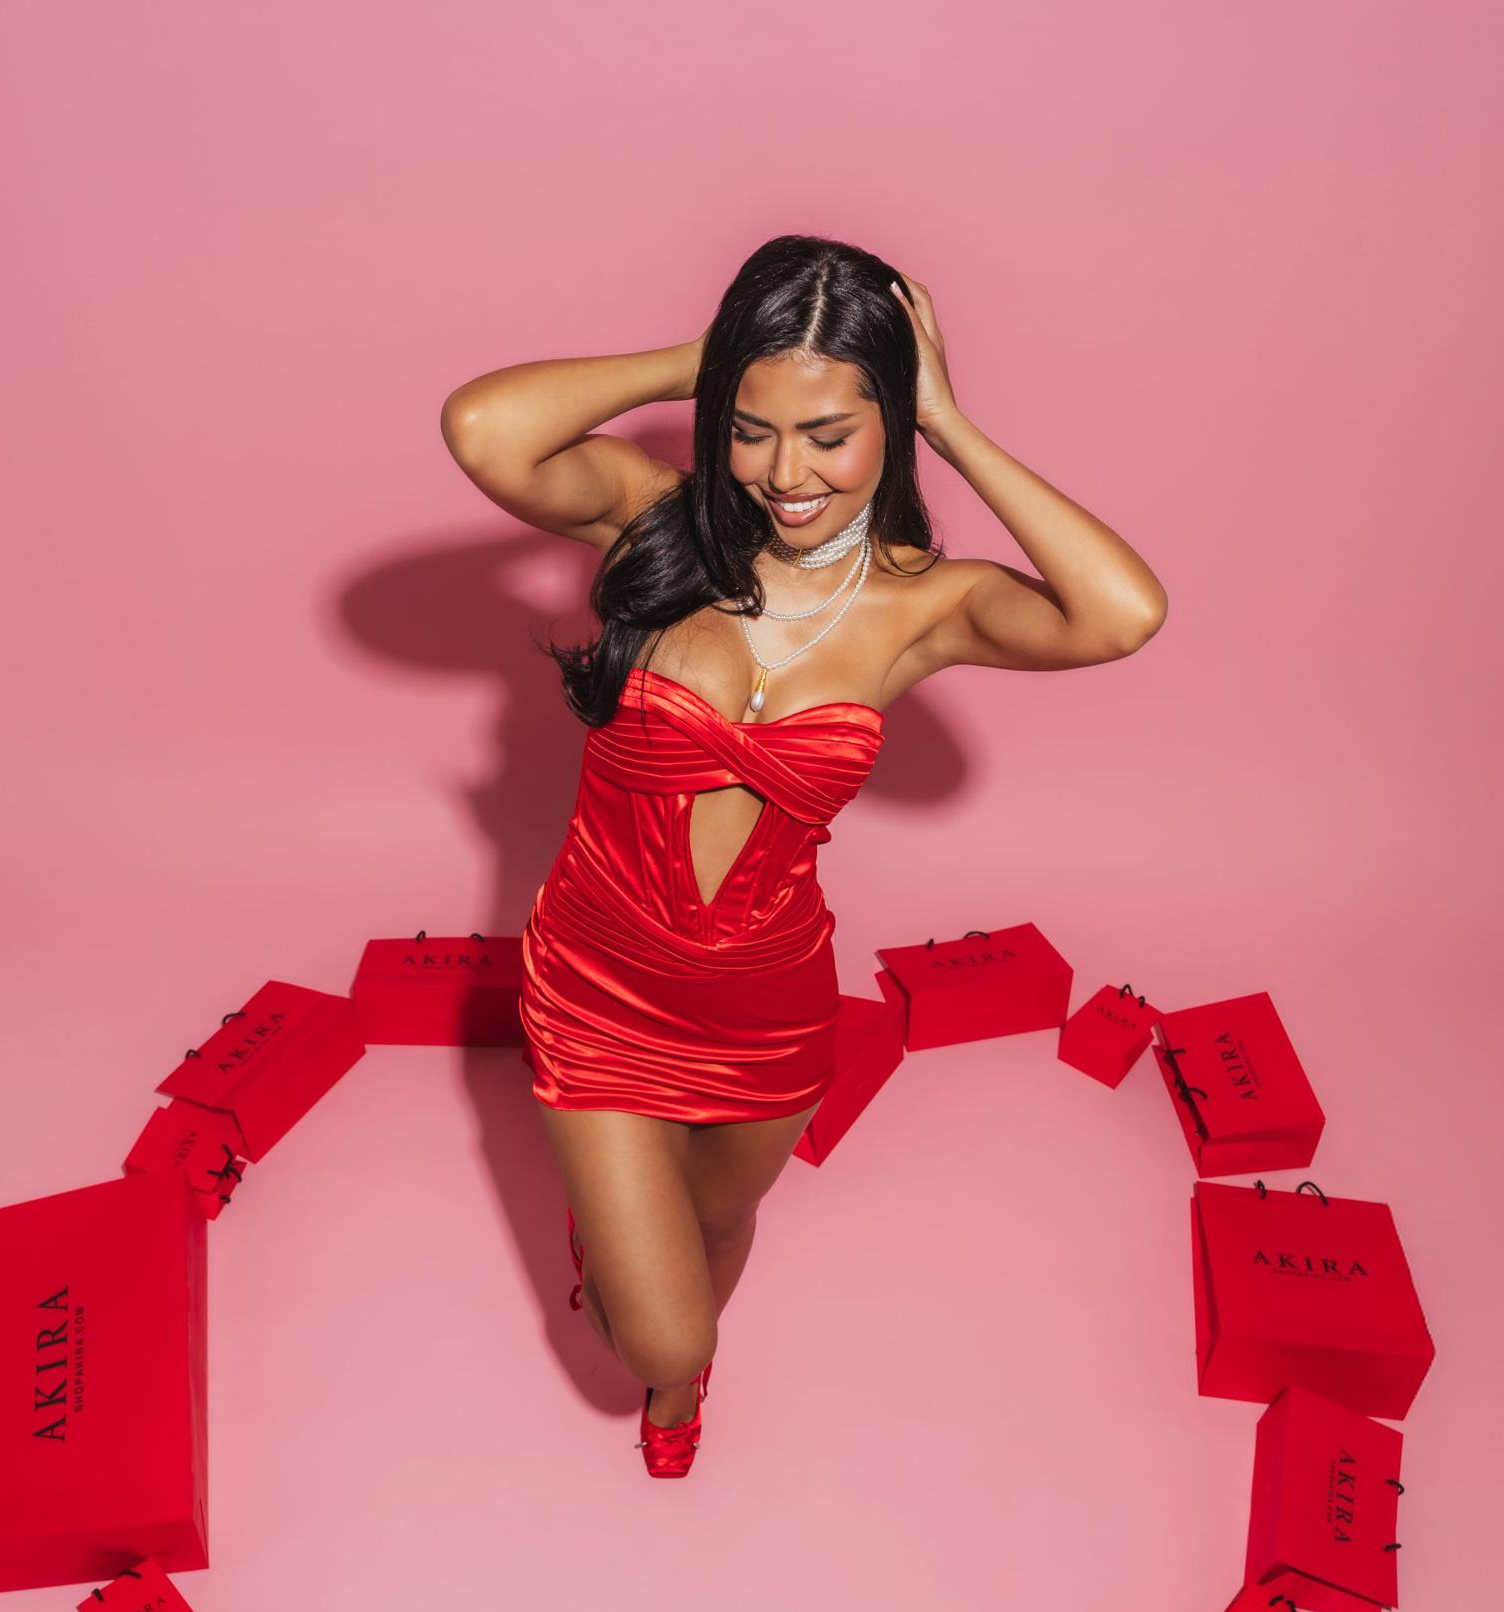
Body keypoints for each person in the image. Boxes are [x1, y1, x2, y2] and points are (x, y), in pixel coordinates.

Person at [440, 234, 1166, 1477]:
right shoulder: (648, 520)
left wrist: (951, 423)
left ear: (891, 421)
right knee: (662, 1330)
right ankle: (661, 1332)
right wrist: (709, 359)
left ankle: (671, 1334)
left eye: (829, 434)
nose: (785, 473)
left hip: (766, 1005)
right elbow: (481, 428)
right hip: (599, 982)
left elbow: (1123, 612)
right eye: (751, 429)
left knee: (721, 1219)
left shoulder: (924, 606)